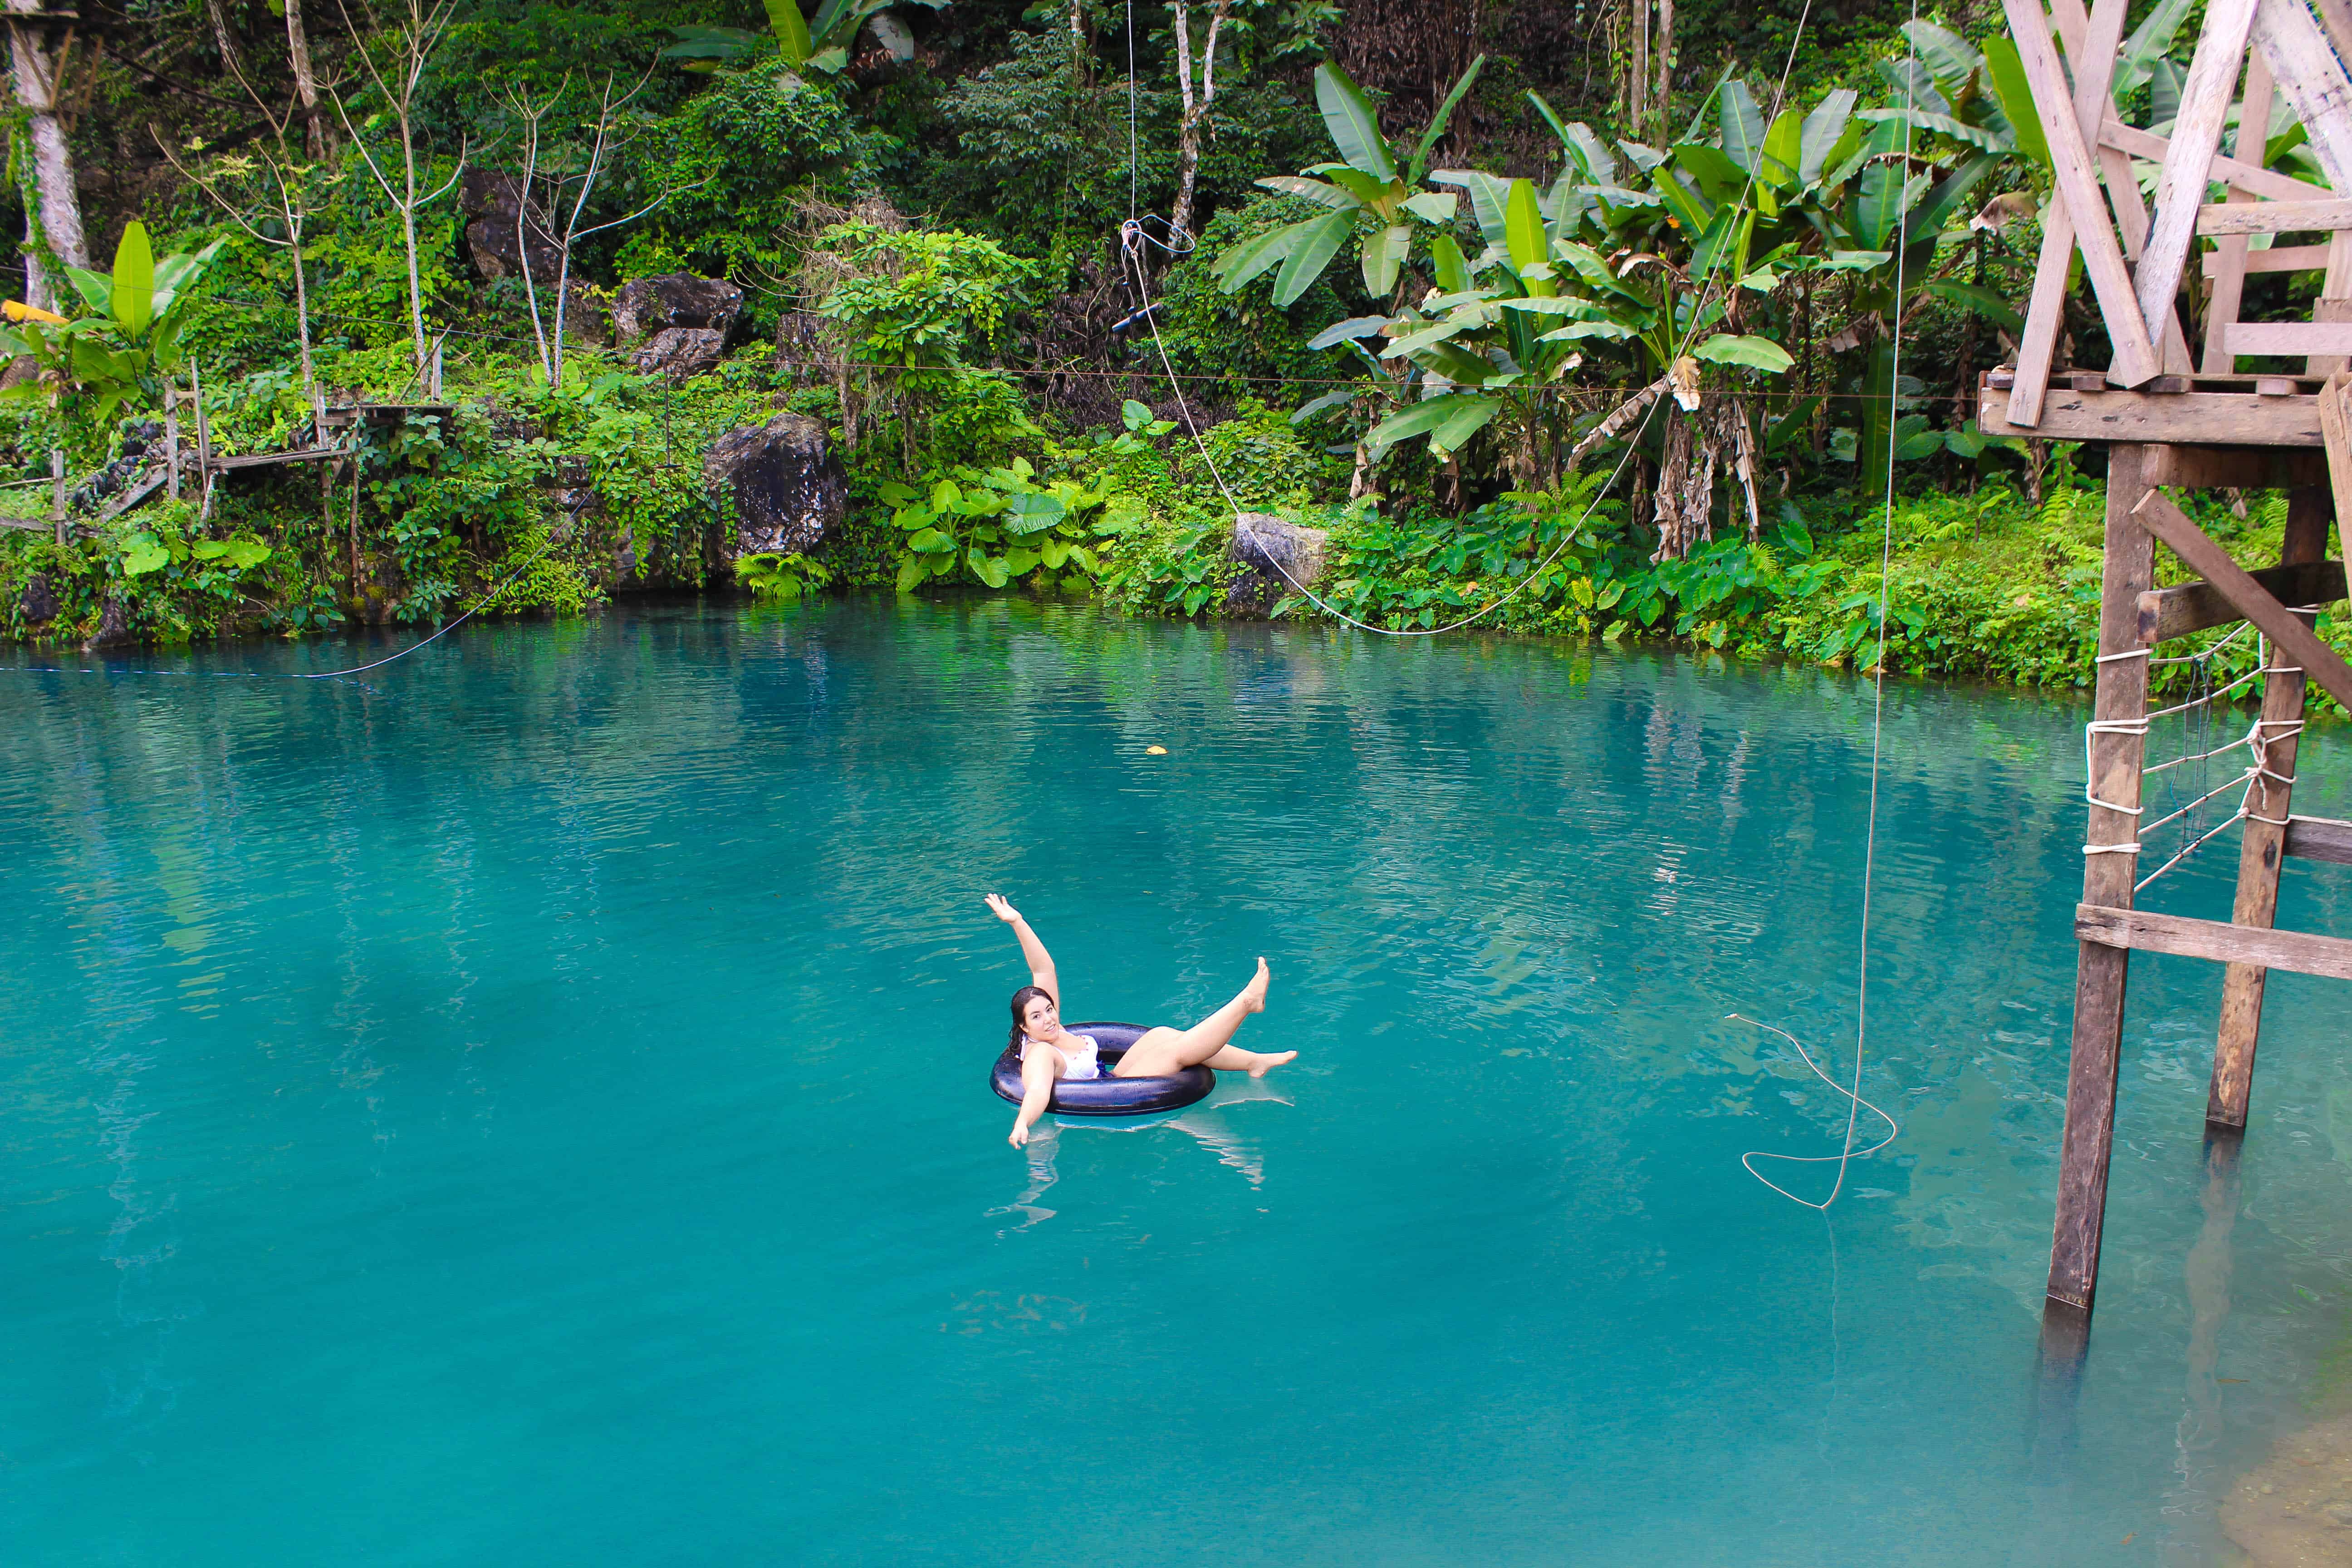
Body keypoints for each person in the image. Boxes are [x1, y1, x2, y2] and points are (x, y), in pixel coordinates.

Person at [985, 893, 1294, 1147]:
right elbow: (1038, 1089)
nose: (1049, 1019)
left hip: (1107, 1075)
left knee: (1162, 1034)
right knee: (1172, 1052)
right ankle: (1245, 1004)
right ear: (1025, 1027)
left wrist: (1018, 922)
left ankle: (1255, 1062)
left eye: (1049, 1010)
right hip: (1112, 1090)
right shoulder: (1040, 1052)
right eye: (1037, 1017)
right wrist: (1023, 1124)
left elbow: (1044, 970)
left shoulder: (1052, 1027)